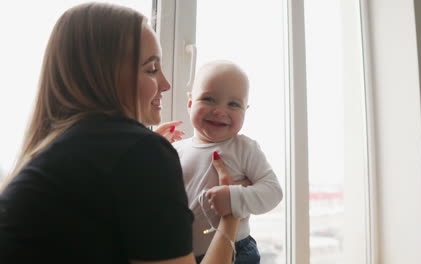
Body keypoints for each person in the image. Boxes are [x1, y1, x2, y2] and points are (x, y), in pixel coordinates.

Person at [0, 3, 239, 264]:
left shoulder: (56, 154)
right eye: (151, 69)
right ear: (105, 76)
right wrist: (230, 216)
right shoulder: (139, 152)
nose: (166, 84)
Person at [173, 61, 283, 264]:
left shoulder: (244, 148)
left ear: (245, 110)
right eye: (208, 99)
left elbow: (273, 192)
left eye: (233, 104)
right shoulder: (177, 150)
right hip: (185, 254)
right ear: (190, 103)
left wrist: (234, 199)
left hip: (236, 251)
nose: (219, 111)